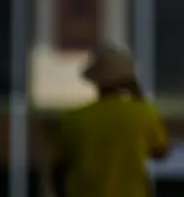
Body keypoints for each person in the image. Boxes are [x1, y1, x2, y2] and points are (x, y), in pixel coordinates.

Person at [49, 42, 169, 197]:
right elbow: (160, 152)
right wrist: (138, 95)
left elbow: (58, 171)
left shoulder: (72, 119)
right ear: (128, 80)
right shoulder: (143, 114)